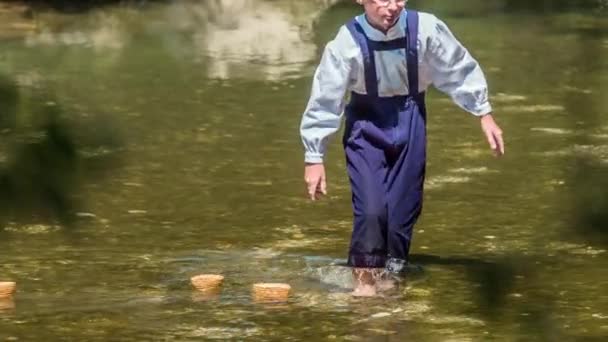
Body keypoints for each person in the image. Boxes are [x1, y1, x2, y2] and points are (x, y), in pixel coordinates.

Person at [299, 0, 505, 296]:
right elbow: (325, 99)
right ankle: (364, 284)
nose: (392, 7)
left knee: (403, 210)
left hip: (411, 120)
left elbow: (458, 67)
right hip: (365, 127)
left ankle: (391, 277)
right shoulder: (346, 42)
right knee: (372, 210)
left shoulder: (425, 29)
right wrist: (314, 156)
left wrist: (483, 112)